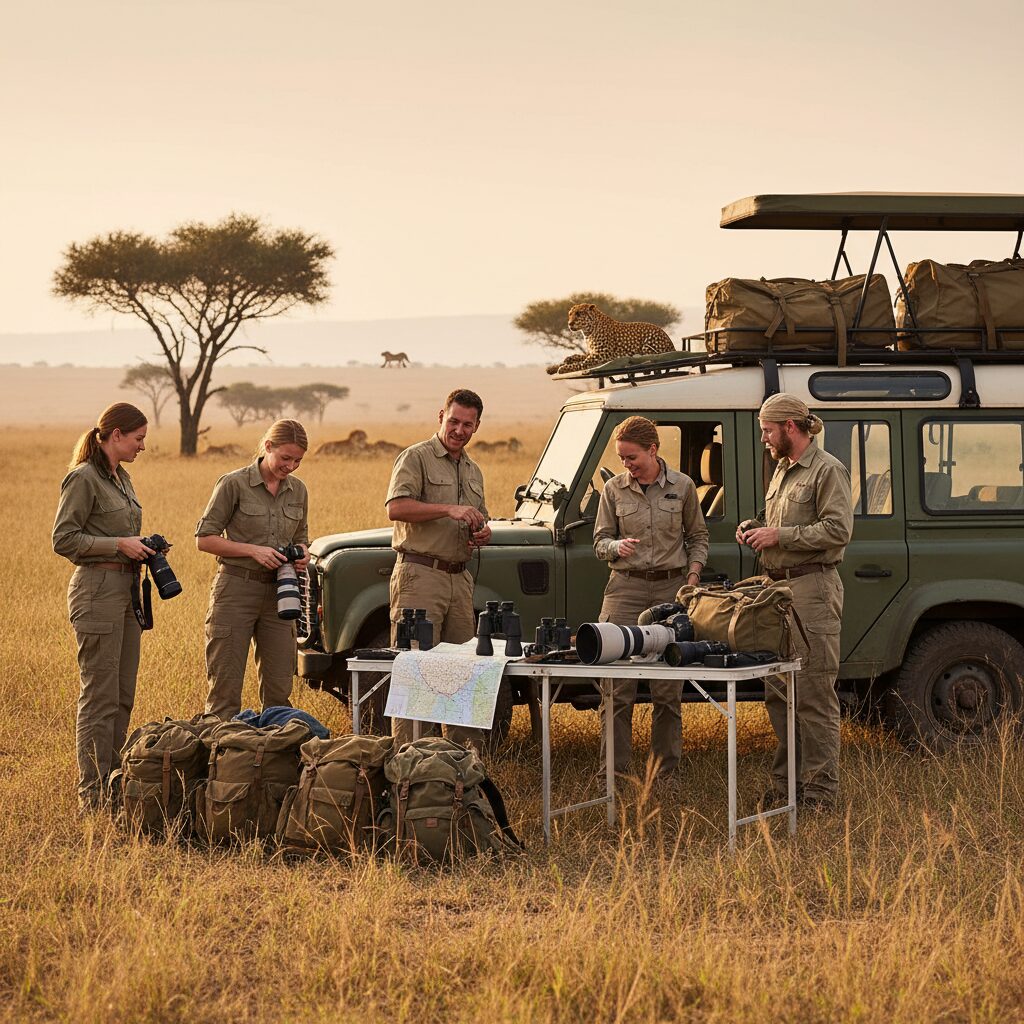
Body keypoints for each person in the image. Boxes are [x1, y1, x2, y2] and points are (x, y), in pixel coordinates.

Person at [736, 393, 853, 810]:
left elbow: (837, 531)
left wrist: (779, 537)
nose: (764, 438)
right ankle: (788, 786)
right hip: (777, 592)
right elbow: (786, 524)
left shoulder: (828, 470)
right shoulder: (782, 470)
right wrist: (757, 529)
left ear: (790, 427)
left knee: (814, 694)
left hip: (812, 591)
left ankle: (820, 793)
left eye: (768, 430)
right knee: (779, 692)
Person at [593, 416, 709, 777]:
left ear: (653, 450)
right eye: (622, 459)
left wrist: (691, 579)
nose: (627, 465)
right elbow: (599, 542)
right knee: (616, 690)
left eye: (633, 458)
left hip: (669, 591)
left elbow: (698, 538)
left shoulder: (683, 486)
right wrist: (615, 546)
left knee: (667, 691)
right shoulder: (614, 490)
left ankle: (665, 775)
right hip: (625, 590)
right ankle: (613, 777)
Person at [52, 403, 153, 811]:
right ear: (115, 435)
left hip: (125, 589)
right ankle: (91, 797)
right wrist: (118, 545)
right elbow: (64, 539)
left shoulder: (121, 478)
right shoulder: (83, 478)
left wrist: (142, 546)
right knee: (99, 696)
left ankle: (113, 785)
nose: (142, 446)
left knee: (123, 693)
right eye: (138, 438)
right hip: (97, 591)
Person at [386, 389, 491, 749]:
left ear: (477, 426)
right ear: (440, 416)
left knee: (460, 671)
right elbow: (396, 508)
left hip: (459, 578)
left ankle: (461, 764)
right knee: (416, 670)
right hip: (420, 576)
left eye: (467, 424)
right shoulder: (415, 458)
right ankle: (411, 763)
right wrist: (449, 509)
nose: (459, 430)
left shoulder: (473, 469)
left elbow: (478, 517)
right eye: (454, 421)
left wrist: (481, 532)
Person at [196, 419, 310, 720]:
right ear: (268, 446)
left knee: (279, 693)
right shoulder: (233, 484)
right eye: (285, 458)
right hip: (236, 590)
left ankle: (274, 762)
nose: (291, 466)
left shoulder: (299, 490)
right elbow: (204, 540)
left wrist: (303, 554)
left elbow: (301, 537)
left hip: (281, 596)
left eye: (298, 460)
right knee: (224, 690)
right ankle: (220, 762)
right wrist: (252, 551)